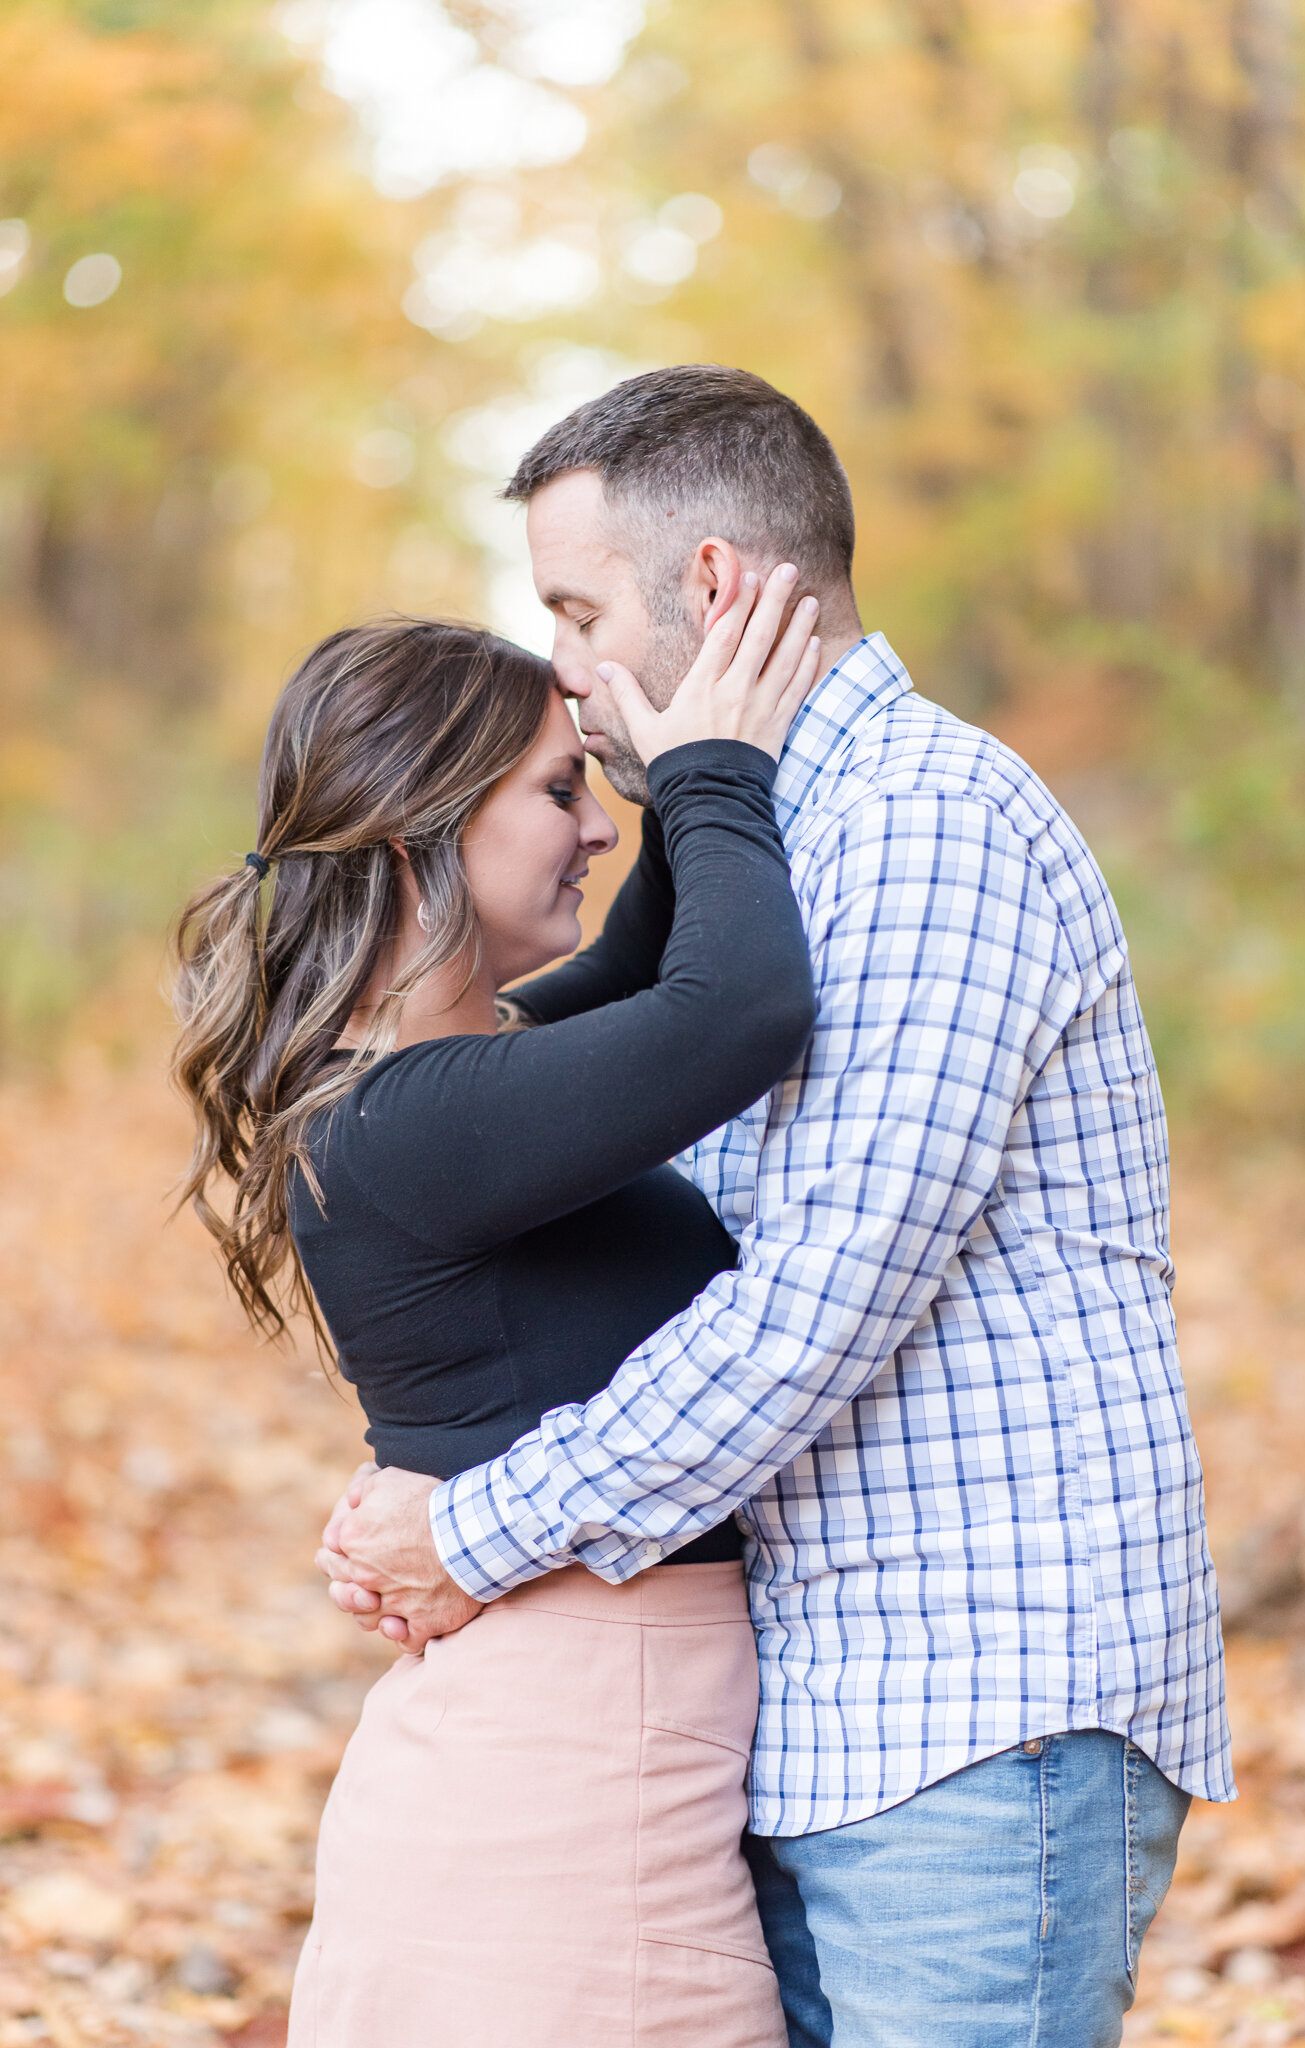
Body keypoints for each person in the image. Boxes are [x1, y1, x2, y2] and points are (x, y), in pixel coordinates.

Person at [321, 365, 1235, 2048]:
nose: (568, 670)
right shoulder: (772, 853)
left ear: (719, 588)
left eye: (576, 610)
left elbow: (815, 1304)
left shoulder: (923, 833)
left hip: (979, 1711)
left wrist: (478, 1527)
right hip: (825, 1712)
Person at [170, 581, 825, 2047]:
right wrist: (715, 774)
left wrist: (676, 736)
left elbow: (658, 960)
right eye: (557, 793)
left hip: (572, 1763)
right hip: (567, 1799)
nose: (597, 827)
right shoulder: (420, 1119)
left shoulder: (442, 1073)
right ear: (423, 836)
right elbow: (731, 1009)